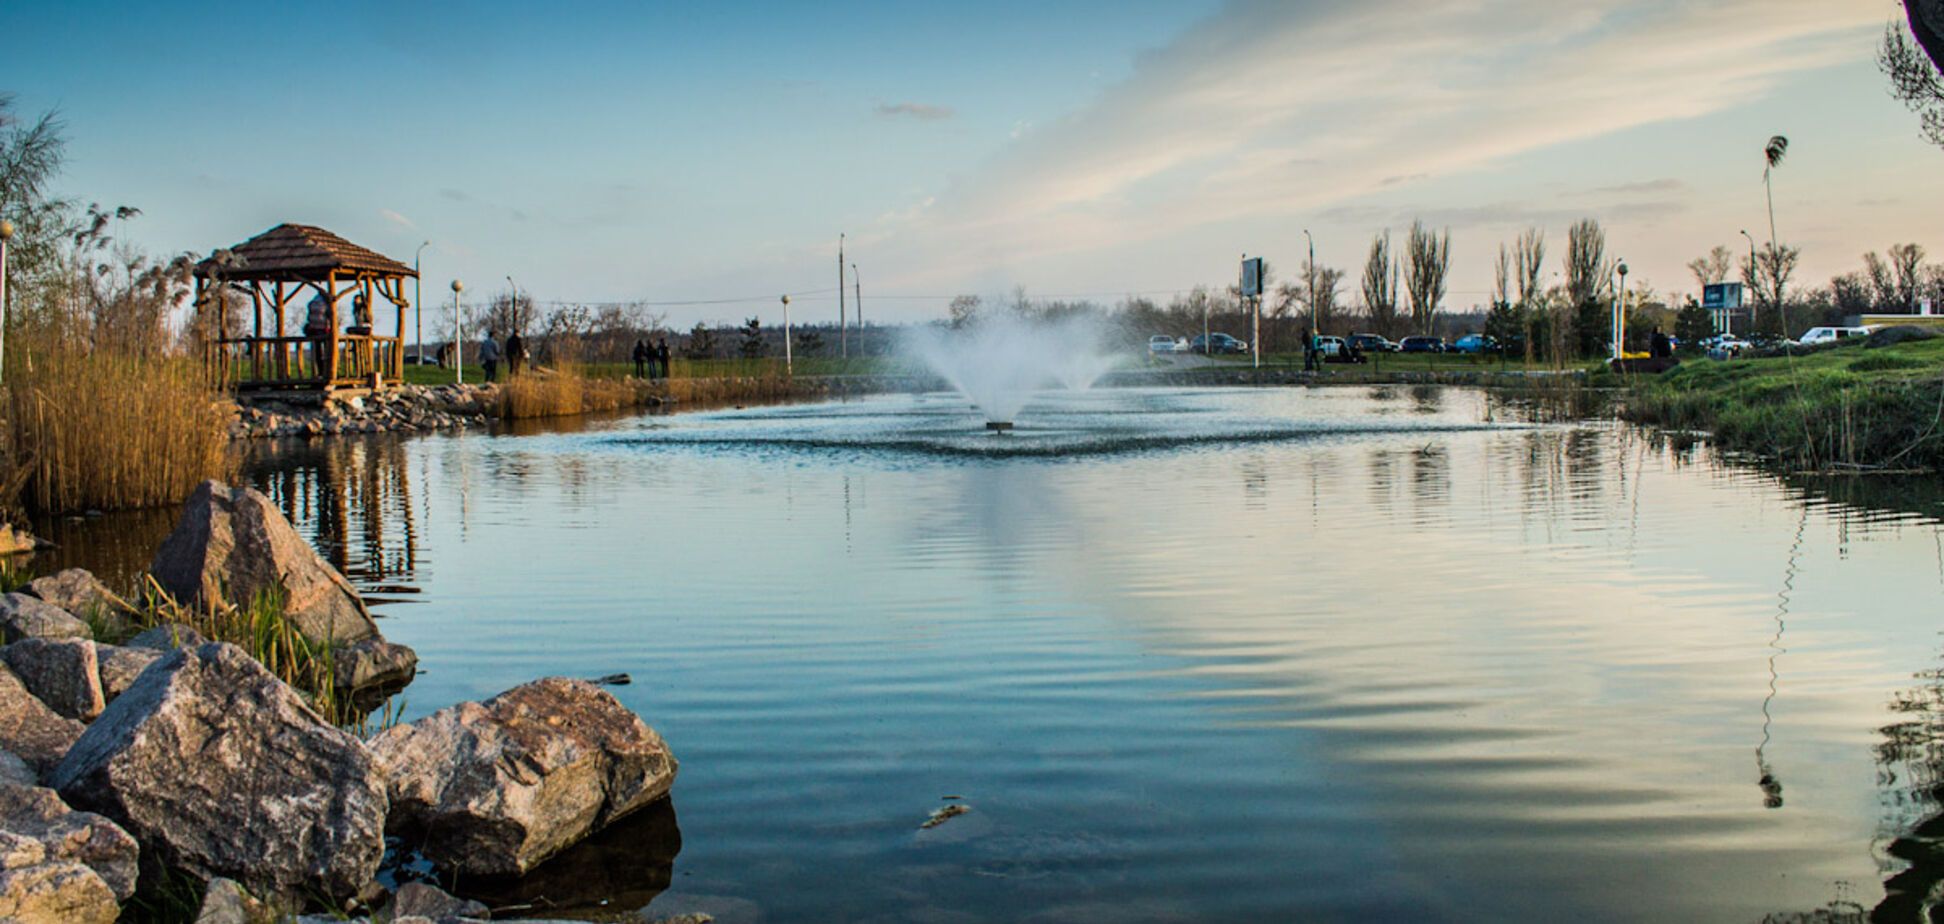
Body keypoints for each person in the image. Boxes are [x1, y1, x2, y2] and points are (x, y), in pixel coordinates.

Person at [303, 293, 331, 378]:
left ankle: (320, 372)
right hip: (324, 330)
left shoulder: (311, 304)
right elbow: (330, 316)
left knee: (317, 353)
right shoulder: (327, 304)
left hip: (314, 330)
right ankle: (328, 371)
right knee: (328, 353)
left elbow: (308, 317)